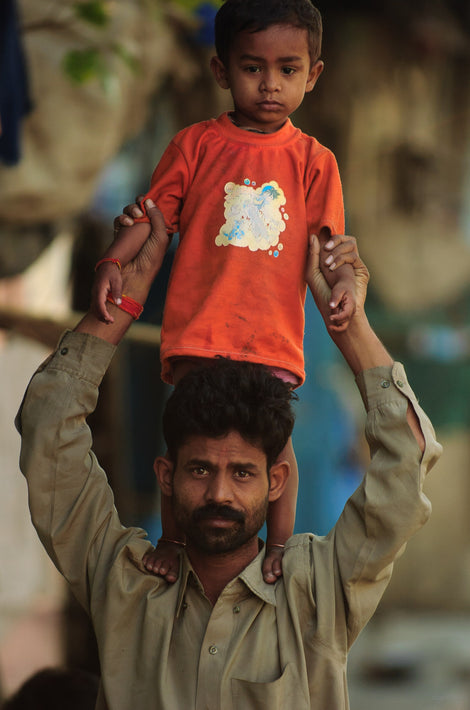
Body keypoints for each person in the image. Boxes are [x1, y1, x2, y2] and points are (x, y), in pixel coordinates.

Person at [17, 201, 441, 710]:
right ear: (166, 476)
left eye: (242, 473)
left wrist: (348, 325)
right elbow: (48, 425)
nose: (220, 493)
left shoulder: (317, 593)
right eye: (200, 469)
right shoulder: (125, 586)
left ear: (277, 481)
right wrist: (123, 301)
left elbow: (407, 457)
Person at [91, 0, 356, 582]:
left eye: (288, 70)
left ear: (312, 75)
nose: (269, 85)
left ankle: (280, 545)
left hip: (273, 341)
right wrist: (114, 260)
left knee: (275, 449)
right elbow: (150, 216)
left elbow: (331, 248)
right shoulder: (194, 146)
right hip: (196, 334)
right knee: (185, 444)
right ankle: (170, 539)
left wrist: (346, 289)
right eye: (252, 67)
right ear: (221, 71)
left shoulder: (316, 163)